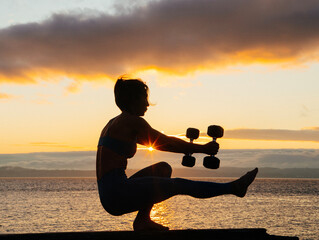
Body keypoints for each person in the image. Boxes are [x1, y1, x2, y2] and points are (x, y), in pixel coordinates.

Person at [96, 77, 258, 231]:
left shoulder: (115, 123)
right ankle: (234, 188)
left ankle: (143, 220)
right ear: (133, 99)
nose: (147, 104)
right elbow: (165, 142)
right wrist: (203, 149)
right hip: (116, 193)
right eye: (144, 98)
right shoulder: (131, 122)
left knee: (163, 169)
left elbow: (161, 143)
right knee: (178, 185)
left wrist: (191, 148)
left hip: (111, 192)